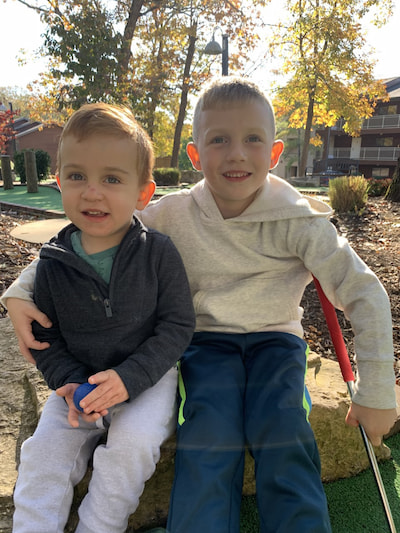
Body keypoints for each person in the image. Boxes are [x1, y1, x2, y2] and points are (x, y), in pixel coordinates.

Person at [2, 77, 397, 533]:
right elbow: (93, 239)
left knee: (284, 429)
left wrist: (377, 392)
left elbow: (364, 292)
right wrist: (20, 290)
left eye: (252, 139)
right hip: (202, 344)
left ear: (274, 153)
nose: (236, 153)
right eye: (219, 140)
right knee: (209, 431)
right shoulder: (172, 212)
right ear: (195, 155)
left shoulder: (301, 220)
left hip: (277, 344)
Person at [4, 102, 195, 533]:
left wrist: (131, 377)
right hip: (79, 383)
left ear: (143, 194)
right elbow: (45, 338)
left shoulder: (158, 253)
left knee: (133, 445)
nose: (92, 192)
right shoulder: (52, 263)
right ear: (59, 184)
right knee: (44, 452)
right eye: (77, 176)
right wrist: (67, 380)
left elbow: (178, 325)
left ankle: (99, 527)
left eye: (111, 178)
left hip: (146, 379)